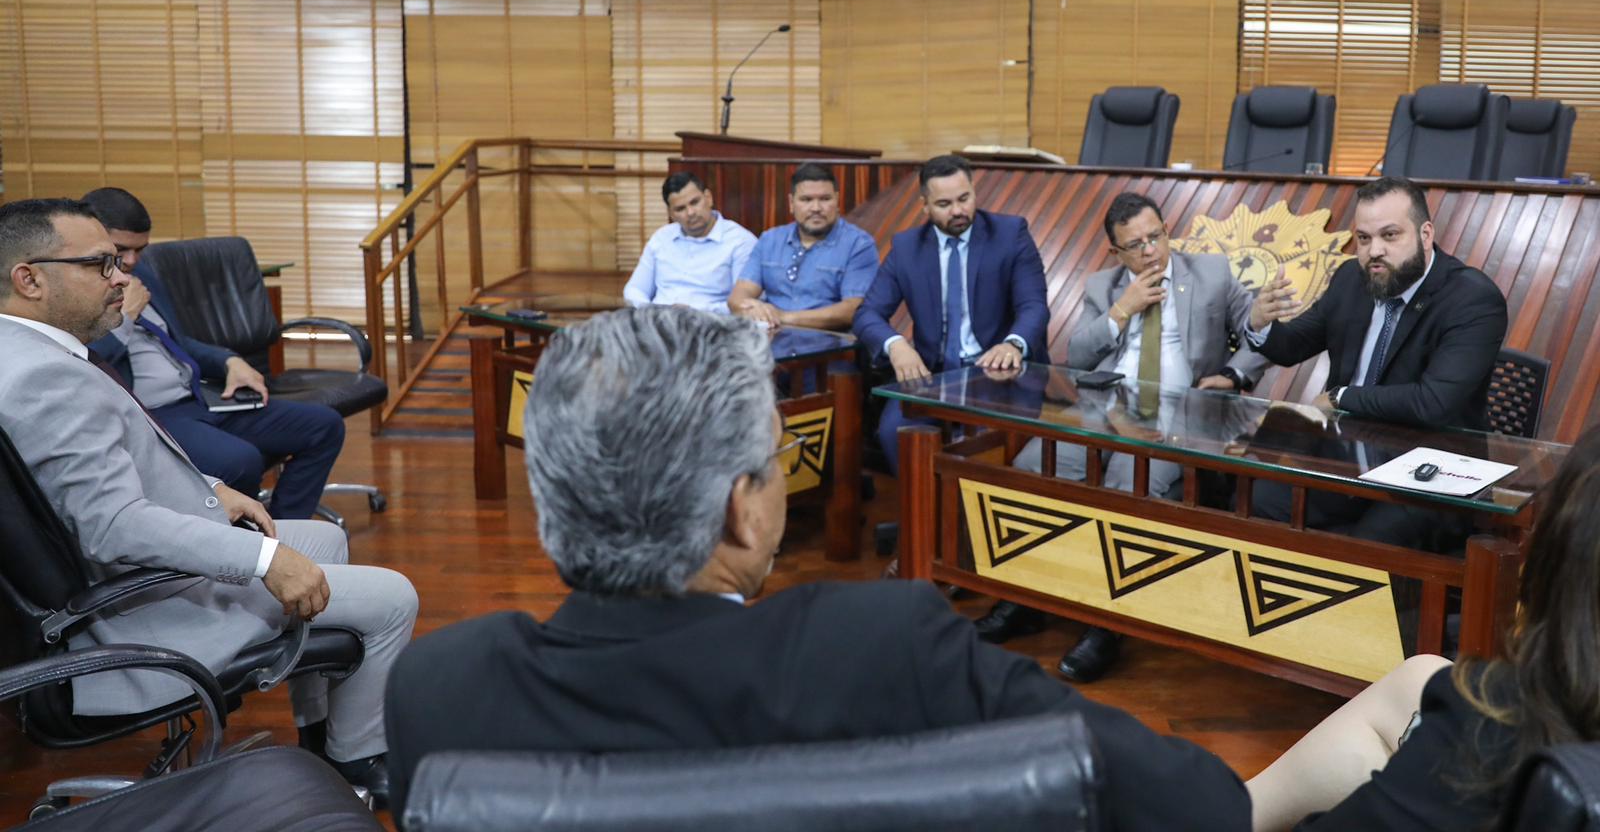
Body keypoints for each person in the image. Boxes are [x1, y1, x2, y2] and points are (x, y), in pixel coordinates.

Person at [383, 306, 1249, 825]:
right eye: (770, 463)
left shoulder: (440, 688)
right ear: (739, 506)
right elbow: (1199, 805)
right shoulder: (884, 645)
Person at [0, 198, 417, 808]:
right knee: (394, 595)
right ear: (29, 278)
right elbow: (112, 525)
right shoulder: (45, 376)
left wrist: (212, 490)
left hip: (108, 581)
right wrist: (263, 560)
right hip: (121, 615)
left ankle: (321, 735)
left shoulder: (22, 353)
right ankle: (358, 764)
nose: (121, 277)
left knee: (324, 540)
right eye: (100, 264)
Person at [978, 192, 1272, 683]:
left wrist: (1234, 374)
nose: (1150, 251)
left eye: (1155, 236)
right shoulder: (1105, 284)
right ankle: (1024, 596)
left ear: (1166, 230)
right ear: (1116, 253)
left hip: (1183, 420)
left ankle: (1105, 625)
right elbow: (1077, 357)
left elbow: (1256, 331)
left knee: (1126, 482)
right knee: (1031, 468)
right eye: (1135, 245)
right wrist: (1121, 310)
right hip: (1105, 412)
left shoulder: (1212, 274)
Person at [1250, 430, 1600, 830]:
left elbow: (1430, 403)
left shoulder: (1487, 726)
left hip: (1434, 482)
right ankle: (1240, 810)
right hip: (1368, 462)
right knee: (1419, 673)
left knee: (1373, 542)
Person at [1244, 176, 1508, 545]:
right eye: (1364, 239)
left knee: (1372, 541)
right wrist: (1260, 325)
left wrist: (1342, 397)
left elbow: (1433, 402)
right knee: (1262, 501)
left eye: (1390, 235)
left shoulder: (1472, 299)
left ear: (1425, 234)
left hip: (1432, 469)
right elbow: (1292, 346)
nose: (1374, 251)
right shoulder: (1352, 279)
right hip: (1351, 456)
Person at [79, 187, 345, 521]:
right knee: (241, 460)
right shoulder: (77, 293)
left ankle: (286, 531)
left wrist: (229, 361)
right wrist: (126, 318)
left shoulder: (142, 276)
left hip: (198, 398)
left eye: (140, 250)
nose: (132, 261)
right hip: (154, 416)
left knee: (324, 425)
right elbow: (82, 362)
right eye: (121, 250)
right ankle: (244, 549)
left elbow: (179, 342)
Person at [852, 155, 1049, 473]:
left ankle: (973, 519)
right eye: (944, 203)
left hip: (998, 374)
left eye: (964, 198)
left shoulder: (1010, 233)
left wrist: (1013, 344)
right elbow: (867, 313)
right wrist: (896, 345)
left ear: (974, 191)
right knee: (893, 433)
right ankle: (928, 519)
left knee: (986, 446)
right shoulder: (907, 247)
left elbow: (1034, 305)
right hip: (934, 376)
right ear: (925, 205)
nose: (958, 210)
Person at [727, 162, 879, 331]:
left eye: (825, 199)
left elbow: (852, 310)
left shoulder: (858, 245)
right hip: (771, 343)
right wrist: (753, 309)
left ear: (837, 201)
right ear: (791, 203)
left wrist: (783, 317)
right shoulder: (770, 240)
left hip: (830, 347)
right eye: (806, 200)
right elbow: (737, 297)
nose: (816, 208)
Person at [623, 171, 757, 313]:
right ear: (671, 214)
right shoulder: (661, 238)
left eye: (694, 202)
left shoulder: (740, 242)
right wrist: (653, 312)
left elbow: (744, 304)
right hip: (660, 323)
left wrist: (694, 312)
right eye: (680, 209)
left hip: (712, 327)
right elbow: (634, 289)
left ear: (708, 198)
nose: (690, 212)